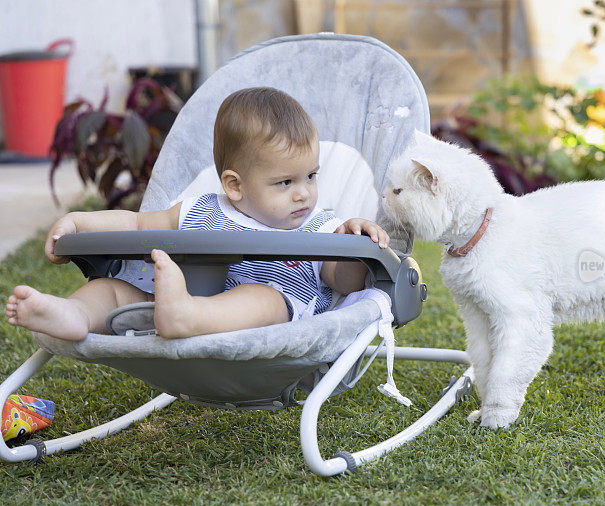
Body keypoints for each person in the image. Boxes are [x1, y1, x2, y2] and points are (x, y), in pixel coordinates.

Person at [5, 87, 389, 341]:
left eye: (310, 176)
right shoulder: (202, 208)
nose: (304, 192)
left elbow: (345, 281)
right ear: (235, 186)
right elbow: (139, 225)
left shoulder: (317, 226)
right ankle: (73, 314)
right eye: (285, 183)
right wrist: (78, 223)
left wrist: (351, 246)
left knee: (262, 298)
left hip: (266, 318)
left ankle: (187, 317)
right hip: (177, 296)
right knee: (116, 292)